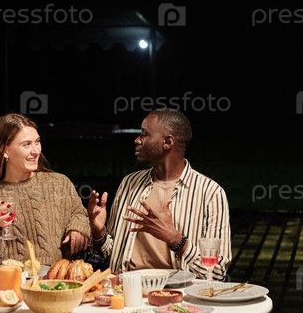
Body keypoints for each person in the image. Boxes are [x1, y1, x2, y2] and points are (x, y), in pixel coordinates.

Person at [87, 108, 232, 279]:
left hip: (179, 292)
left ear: (167, 142)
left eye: (144, 134)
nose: (137, 140)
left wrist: (177, 241)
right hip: (127, 288)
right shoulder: (129, 184)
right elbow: (110, 255)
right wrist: (99, 233)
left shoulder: (210, 193)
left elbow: (217, 273)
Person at [0, 113, 90, 268]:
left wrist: (78, 228)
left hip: (51, 280)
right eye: (26, 144)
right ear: (4, 150)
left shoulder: (59, 183)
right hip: (7, 281)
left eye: (37, 142)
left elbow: (79, 213)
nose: (36, 151)